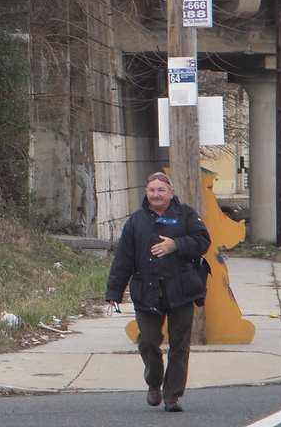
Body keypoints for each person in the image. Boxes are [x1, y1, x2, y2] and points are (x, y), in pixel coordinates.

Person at [105, 171, 210, 413]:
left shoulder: (186, 215)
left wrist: (176, 244)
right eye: (152, 190)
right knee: (148, 342)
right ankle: (154, 382)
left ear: (170, 192)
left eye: (161, 190)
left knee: (179, 346)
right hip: (147, 293)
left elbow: (203, 242)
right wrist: (114, 293)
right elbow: (123, 260)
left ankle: (172, 395)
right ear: (146, 193)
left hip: (181, 291)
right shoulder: (136, 221)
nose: (156, 194)